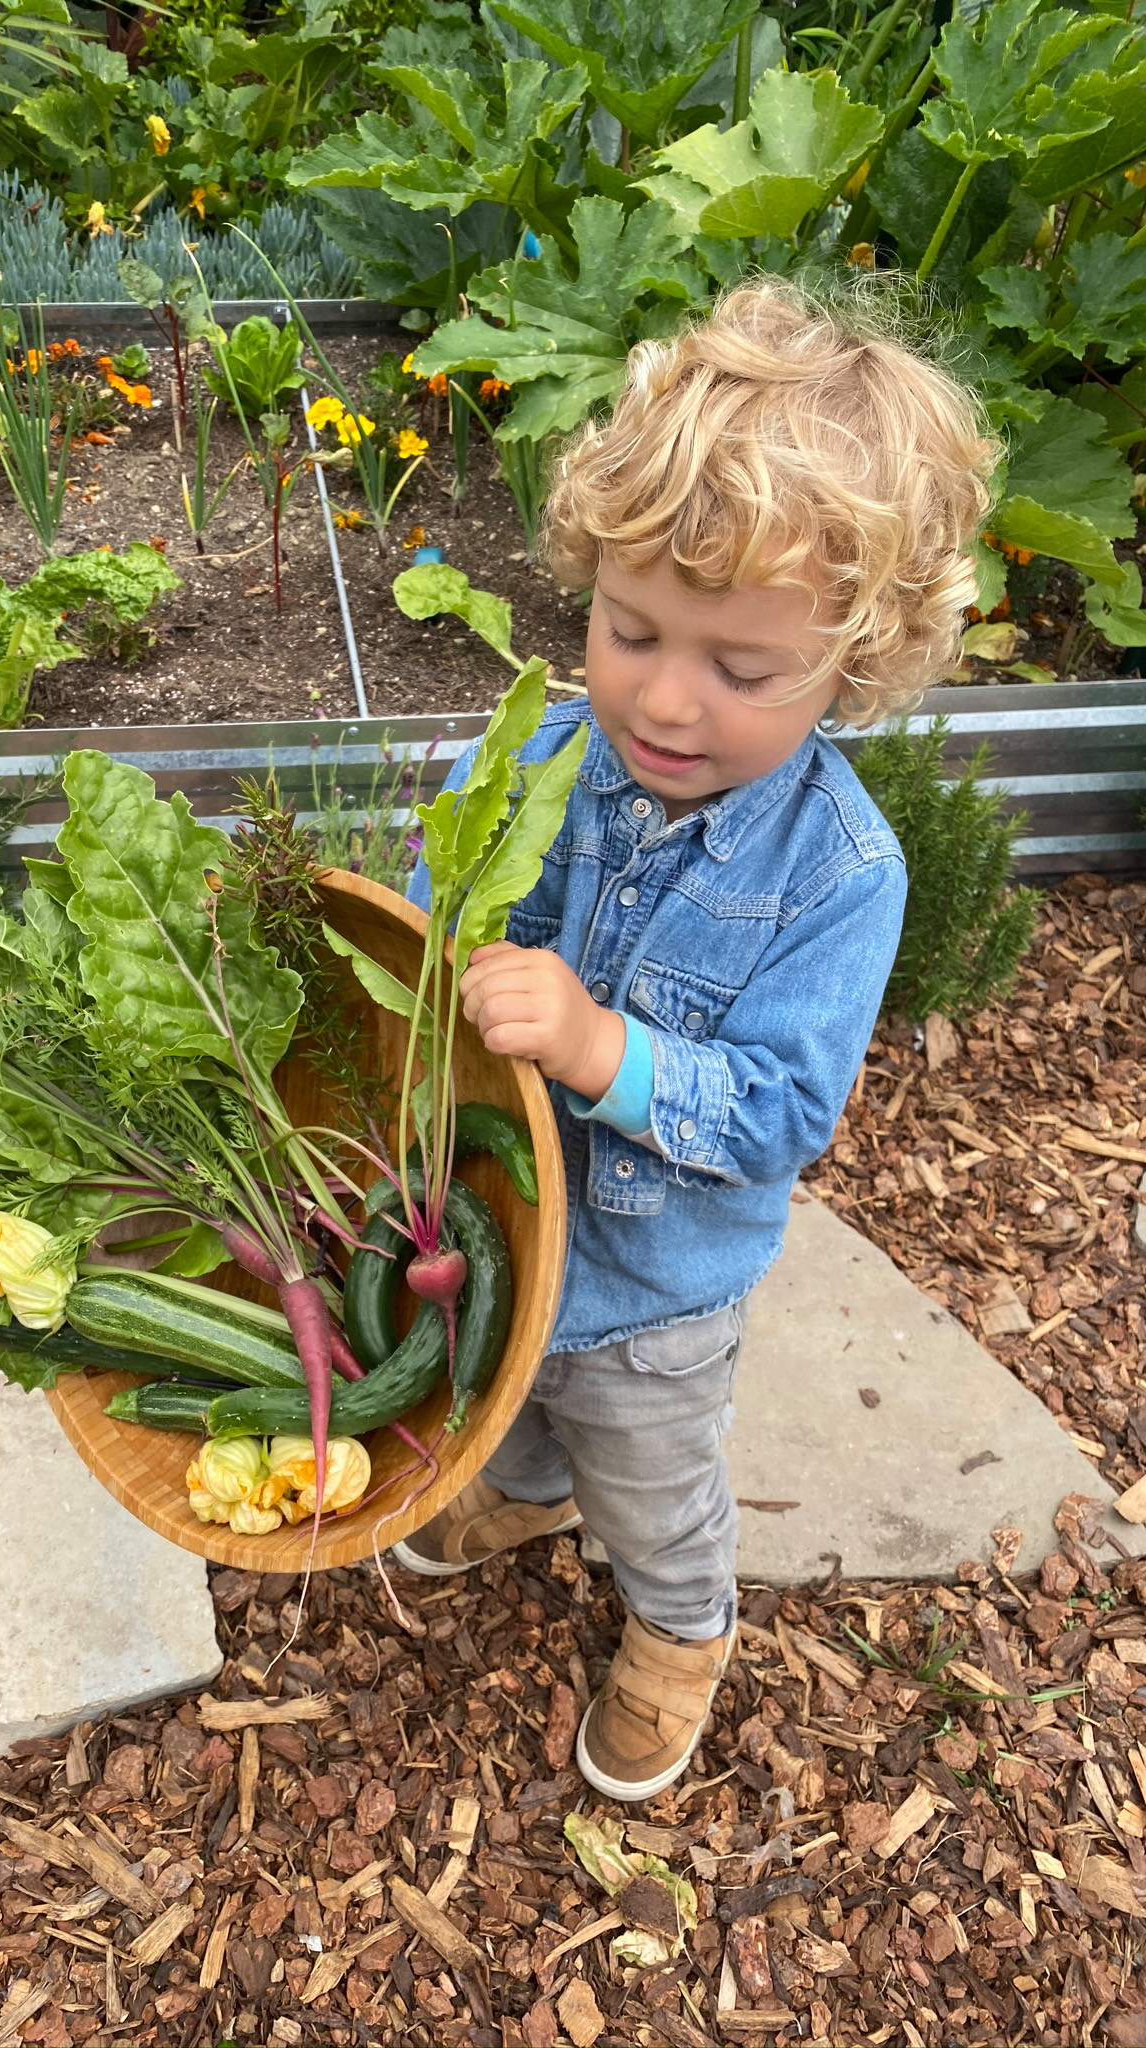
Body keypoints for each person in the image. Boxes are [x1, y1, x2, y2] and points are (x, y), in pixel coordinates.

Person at [392, 279, 998, 1803]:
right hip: (507, 1226)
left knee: (650, 1478)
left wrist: (602, 1047)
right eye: (630, 629)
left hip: (663, 1291)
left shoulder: (844, 875)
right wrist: (431, 946)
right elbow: (430, 904)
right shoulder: (534, 745)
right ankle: (522, 1502)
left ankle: (680, 1632)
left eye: (740, 669)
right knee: (510, 1395)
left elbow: (784, 1112)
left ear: (853, 668)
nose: (664, 698)